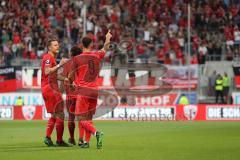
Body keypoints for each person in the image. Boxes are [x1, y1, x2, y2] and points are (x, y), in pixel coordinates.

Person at [72, 30, 112, 149]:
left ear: (81, 45)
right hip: (95, 90)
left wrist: (73, 82)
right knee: (88, 119)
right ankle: (86, 142)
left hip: (83, 90)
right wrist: (107, 38)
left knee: (80, 118)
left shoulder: (77, 59)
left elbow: (72, 75)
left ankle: (97, 133)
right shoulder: (97, 55)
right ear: (91, 45)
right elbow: (105, 48)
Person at [41, 37, 70, 147]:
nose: (57, 46)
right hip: (51, 89)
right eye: (55, 45)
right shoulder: (48, 57)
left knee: (55, 114)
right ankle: (59, 140)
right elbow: (47, 71)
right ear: (49, 47)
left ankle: (48, 137)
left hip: (47, 88)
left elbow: (53, 75)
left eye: (58, 45)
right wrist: (60, 64)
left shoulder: (50, 58)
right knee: (60, 114)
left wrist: (65, 79)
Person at [61, 46, 82, 145]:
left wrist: (65, 90)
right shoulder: (83, 64)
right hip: (81, 94)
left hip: (70, 94)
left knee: (71, 117)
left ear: (71, 53)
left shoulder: (67, 64)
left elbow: (65, 79)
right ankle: (81, 139)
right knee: (82, 117)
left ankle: (72, 138)